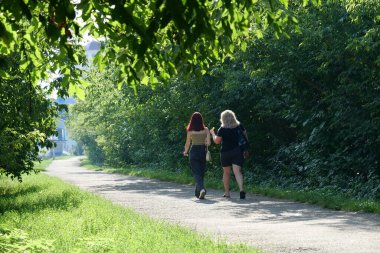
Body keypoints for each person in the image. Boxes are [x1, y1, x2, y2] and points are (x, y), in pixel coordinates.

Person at [210, 110, 247, 199]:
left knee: (226, 173)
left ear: (222, 119)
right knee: (237, 172)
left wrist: (212, 133)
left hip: (225, 152)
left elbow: (217, 141)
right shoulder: (239, 126)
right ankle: (241, 190)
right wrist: (245, 148)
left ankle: (227, 193)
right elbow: (245, 136)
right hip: (237, 151)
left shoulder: (222, 129)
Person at [183, 112, 211, 199]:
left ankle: (202, 189)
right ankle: (198, 193)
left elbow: (187, 143)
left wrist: (185, 152)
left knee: (196, 172)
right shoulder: (206, 130)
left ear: (192, 120)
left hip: (194, 151)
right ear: (201, 119)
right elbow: (209, 143)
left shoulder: (190, 131)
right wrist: (205, 140)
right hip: (202, 151)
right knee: (201, 172)